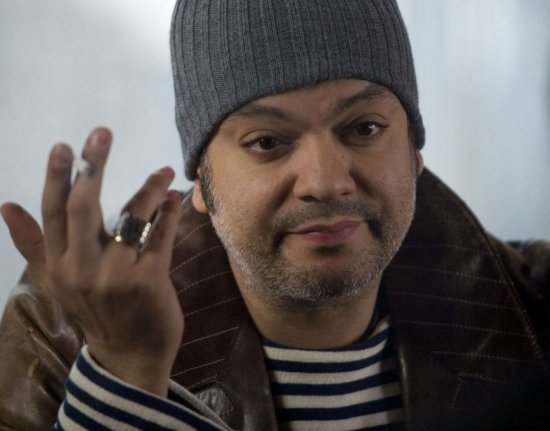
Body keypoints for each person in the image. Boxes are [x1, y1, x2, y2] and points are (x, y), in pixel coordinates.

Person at [0, 0, 549, 430]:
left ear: (414, 152)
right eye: (267, 141)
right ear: (202, 183)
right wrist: (126, 373)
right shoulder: (68, 331)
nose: (325, 182)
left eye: (365, 128)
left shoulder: (536, 303)